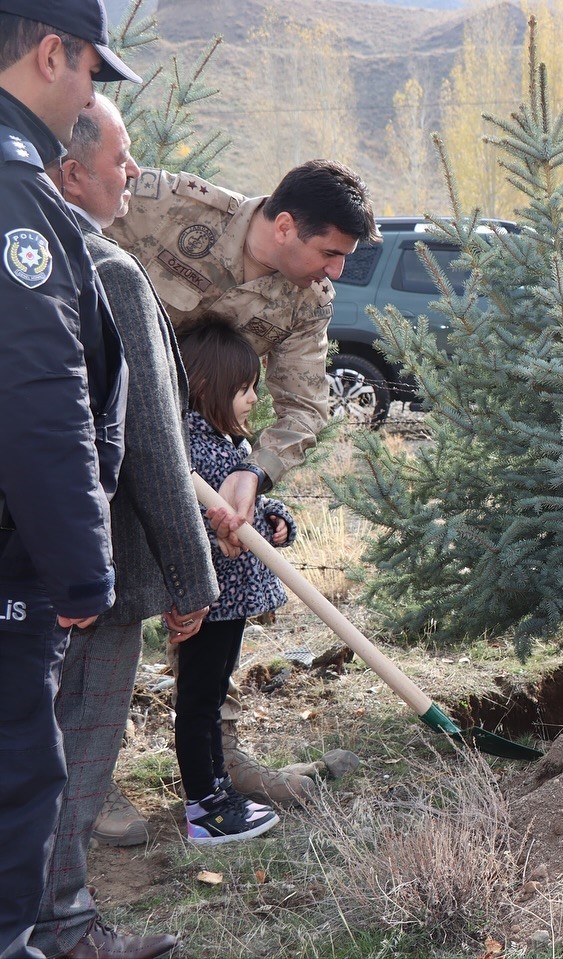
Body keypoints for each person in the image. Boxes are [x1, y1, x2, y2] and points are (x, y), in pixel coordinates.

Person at [108, 158, 378, 804]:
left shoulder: (307, 300)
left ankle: (218, 759)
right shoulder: (162, 204)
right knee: (103, 605)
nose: (337, 270)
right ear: (284, 226)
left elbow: (305, 408)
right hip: (99, 437)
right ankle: (88, 774)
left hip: (200, 463)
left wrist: (251, 474)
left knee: (218, 606)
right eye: (330, 252)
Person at [29, 94, 221, 959]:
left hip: (22, 560)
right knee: (75, 753)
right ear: (73, 172)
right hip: (94, 570)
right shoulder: (104, 270)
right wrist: (191, 577)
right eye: (121, 156)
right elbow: (151, 440)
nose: (133, 172)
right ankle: (64, 925)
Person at [0, 3, 140, 956]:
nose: (89, 93)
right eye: (92, 71)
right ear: (53, 53)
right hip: (11, 570)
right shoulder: (17, 198)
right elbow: (38, 397)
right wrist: (84, 573)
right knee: (14, 774)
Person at [175, 318, 294, 844]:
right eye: (244, 388)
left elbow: (244, 506)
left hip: (230, 602)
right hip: (210, 600)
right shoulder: (189, 449)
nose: (253, 399)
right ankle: (204, 805)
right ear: (205, 386)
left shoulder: (224, 443)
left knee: (212, 693)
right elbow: (190, 516)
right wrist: (220, 528)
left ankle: (217, 787)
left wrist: (275, 517)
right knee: (198, 701)